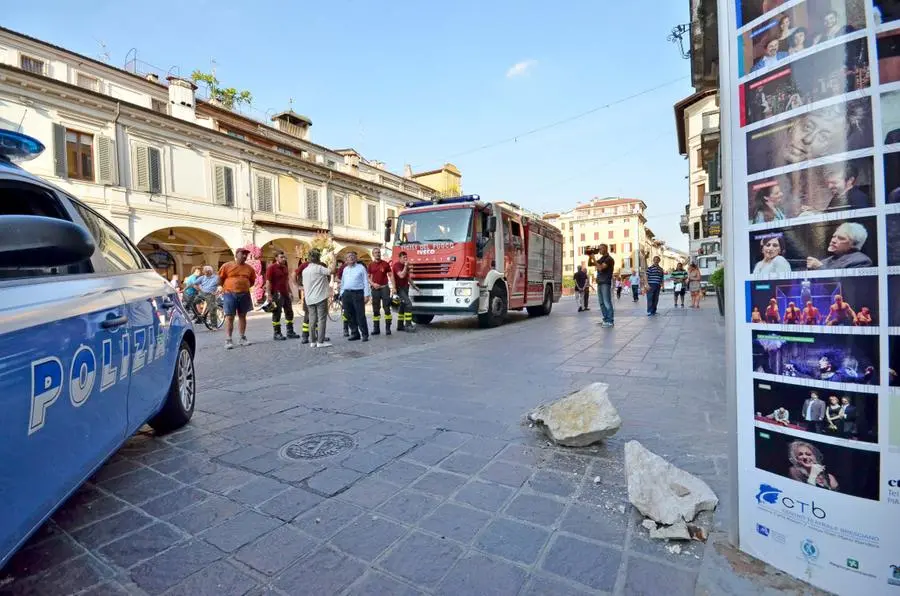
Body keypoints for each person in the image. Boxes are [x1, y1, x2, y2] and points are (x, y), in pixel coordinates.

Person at [218, 248, 256, 349]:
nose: (244, 256)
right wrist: (225, 287)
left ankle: (242, 338)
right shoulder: (227, 266)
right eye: (242, 254)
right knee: (229, 317)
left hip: (244, 294)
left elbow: (252, 281)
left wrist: (244, 286)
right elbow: (220, 278)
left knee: (242, 316)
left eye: (246, 254)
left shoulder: (249, 268)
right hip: (229, 293)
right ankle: (228, 339)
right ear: (236, 255)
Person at [302, 249, 336, 348]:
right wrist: (334, 258)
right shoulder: (319, 268)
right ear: (318, 258)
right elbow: (332, 271)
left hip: (309, 299)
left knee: (312, 320)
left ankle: (313, 341)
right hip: (320, 298)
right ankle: (320, 342)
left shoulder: (305, 270)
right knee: (321, 319)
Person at [806, 222, 873, 269]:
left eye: (841, 238)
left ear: (854, 244)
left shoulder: (861, 261)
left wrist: (820, 267)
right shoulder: (825, 261)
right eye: (834, 236)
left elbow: (846, 285)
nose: (833, 240)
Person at [265, 250, 299, 341]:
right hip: (276, 294)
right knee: (277, 313)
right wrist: (269, 295)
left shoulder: (284, 267)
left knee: (289, 312)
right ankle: (277, 333)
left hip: (285, 294)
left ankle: (290, 332)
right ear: (276, 258)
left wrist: (290, 292)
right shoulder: (271, 268)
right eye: (281, 257)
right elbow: (268, 282)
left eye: (284, 257)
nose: (284, 259)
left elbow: (286, 281)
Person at [339, 251, 371, 341]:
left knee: (360, 315)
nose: (351, 257)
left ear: (356, 258)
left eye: (353, 256)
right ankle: (354, 333)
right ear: (346, 260)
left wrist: (366, 295)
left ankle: (364, 334)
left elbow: (365, 281)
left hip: (358, 293)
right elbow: (343, 282)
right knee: (349, 314)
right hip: (346, 294)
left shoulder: (361, 268)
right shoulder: (345, 269)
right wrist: (342, 293)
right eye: (349, 256)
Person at [367, 248, 394, 336]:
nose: (377, 254)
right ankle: (376, 329)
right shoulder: (370, 265)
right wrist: (373, 284)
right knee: (375, 310)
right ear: (373, 254)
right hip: (375, 289)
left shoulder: (385, 264)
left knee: (387, 309)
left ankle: (388, 329)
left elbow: (391, 275)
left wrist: (394, 287)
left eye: (378, 252)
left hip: (385, 288)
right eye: (375, 253)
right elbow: (367, 277)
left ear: (380, 253)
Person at [392, 251, 418, 332]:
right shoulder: (396, 265)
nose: (406, 259)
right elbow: (401, 275)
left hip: (405, 288)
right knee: (408, 304)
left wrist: (414, 286)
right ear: (400, 258)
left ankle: (400, 326)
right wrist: (405, 266)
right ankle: (408, 325)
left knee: (402, 306)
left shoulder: (405, 266)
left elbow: (407, 277)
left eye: (406, 257)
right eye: (404, 257)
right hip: (399, 288)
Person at [594, 245, 615, 327]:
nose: (599, 250)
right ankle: (605, 319)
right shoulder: (602, 259)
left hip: (605, 282)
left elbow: (600, 268)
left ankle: (610, 321)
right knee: (601, 303)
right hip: (600, 282)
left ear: (605, 249)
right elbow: (591, 264)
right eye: (599, 248)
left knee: (607, 302)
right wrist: (590, 255)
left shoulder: (609, 259)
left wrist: (593, 257)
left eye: (600, 248)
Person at [294, 257, 312, 344]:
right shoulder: (305, 265)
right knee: (308, 316)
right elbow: (294, 274)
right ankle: (305, 336)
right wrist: (298, 286)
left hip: (319, 294)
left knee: (320, 317)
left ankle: (319, 335)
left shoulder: (321, 265)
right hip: (309, 294)